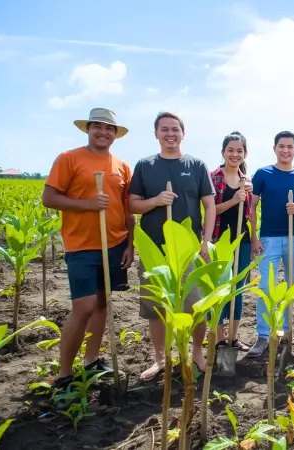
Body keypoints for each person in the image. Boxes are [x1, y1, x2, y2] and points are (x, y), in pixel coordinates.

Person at [42, 107, 133, 389]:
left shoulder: (121, 166)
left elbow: (128, 209)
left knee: (103, 304)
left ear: (115, 134)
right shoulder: (69, 159)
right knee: (83, 307)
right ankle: (65, 374)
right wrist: (88, 205)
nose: (103, 132)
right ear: (88, 129)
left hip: (115, 243)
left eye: (109, 128)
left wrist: (131, 244)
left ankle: (92, 361)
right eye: (98, 127)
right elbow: (49, 197)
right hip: (82, 246)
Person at [128, 111, 217, 381]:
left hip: (188, 248)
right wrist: (155, 201)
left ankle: (197, 354)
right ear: (156, 134)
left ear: (183, 133)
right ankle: (161, 359)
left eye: (175, 129)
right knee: (156, 306)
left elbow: (209, 204)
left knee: (197, 304)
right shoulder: (145, 165)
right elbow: (132, 204)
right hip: (154, 247)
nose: (170, 134)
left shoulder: (196, 165)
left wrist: (206, 240)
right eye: (164, 129)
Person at [246, 131, 294, 358]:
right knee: (265, 288)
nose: (286, 150)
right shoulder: (263, 174)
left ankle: (288, 330)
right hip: (268, 239)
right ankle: (264, 335)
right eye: (281, 146)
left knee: (292, 286)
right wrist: (253, 237)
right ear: (274, 148)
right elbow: (250, 208)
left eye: (290, 147)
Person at [209, 131, 257, 353]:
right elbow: (210, 211)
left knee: (237, 289)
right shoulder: (213, 178)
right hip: (220, 239)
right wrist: (232, 200)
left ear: (245, 154)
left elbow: (250, 213)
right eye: (231, 150)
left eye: (239, 151)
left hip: (242, 239)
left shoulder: (247, 181)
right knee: (219, 289)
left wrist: (254, 237)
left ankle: (234, 337)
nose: (235, 154)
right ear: (223, 152)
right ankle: (219, 338)